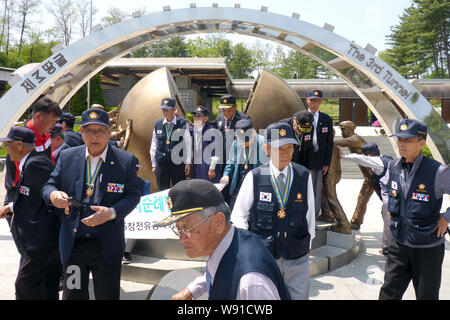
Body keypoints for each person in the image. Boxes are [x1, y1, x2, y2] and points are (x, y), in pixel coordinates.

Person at [42, 107, 141, 300]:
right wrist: (54, 196)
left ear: (109, 131)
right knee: (73, 295)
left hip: (106, 245)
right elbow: (49, 185)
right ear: (81, 132)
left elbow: (132, 195)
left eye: (100, 130)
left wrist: (112, 212)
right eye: (88, 130)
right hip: (73, 245)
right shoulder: (68, 156)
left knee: (107, 295)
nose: (94, 136)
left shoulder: (125, 161)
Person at [153, 179, 291, 300]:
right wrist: (192, 290)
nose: (181, 238)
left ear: (218, 222)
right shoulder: (227, 241)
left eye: (186, 228)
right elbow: (215, 271)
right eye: (178, 229)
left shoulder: (250, 283)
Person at [231, 122, 316, 300]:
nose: (286, 153)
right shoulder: (254, 177)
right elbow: (239, 215)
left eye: (290, 147)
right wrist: (248, 247)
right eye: (280, 148)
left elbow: (309, 214)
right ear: (267, 149)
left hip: (296, 255)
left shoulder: (303, 175)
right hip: (265, 256)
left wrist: (309, 243)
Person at [378, 119, 450, 300]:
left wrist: (446, 217)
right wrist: (389, 205)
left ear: (422, 143)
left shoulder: (437, 171)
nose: (402, 144)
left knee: (427, 295)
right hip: (399, 243)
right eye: (400, 139)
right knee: (388, 293)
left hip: (427, 247)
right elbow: (385, 187)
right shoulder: (393, 166)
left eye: (408, 140)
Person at [0, 127, 61, 300]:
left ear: (19, 145)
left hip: (41, 241)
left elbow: (53, 195)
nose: (5, 149)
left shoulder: (35, 164)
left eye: (8, 144)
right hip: (40, 241)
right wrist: (11, 207)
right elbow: (36, 194)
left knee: (25, 285)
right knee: (45, 285)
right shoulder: (30, 163)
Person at [2, 97, 61, 225]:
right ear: (38, 116)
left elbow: (51, 164)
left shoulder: (45, 136)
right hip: (21, 194)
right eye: (52, 120)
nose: (54, 124)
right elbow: (22, 173)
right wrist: (13, 206)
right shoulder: (22, 139)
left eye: (56, 121)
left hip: (40, 192)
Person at [340, 142, 393, 255]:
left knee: (389, 222)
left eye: (366, 155)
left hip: (391, 200)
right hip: (395, 198)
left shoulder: (377, 161)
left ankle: (388, 249)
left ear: (368, 154)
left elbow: (359, 158)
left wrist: (343, 156)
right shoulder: (386, 159)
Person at [333, 121, 374, 229]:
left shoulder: (355, 139)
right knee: (362, 197)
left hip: (375, 175)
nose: (341, 132)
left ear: (350, 129)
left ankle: (356, 222)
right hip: (369, 177)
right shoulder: (354, 139)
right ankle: (356, 222)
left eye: (343, 129)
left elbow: (337, 142)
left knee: (384, 199)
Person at [220, 119, 268, 209]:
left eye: (247, 140)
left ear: (253, 132)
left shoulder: (264, 144)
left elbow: (268, 169)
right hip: (239, 185)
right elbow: (230, 162)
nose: (244, 143)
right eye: (241, 140)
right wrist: (226, 175)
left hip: (256, 187)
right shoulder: (236, 144)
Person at [150, 97, 192, 191]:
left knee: (179, 190)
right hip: (162, 162)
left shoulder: (183, 124)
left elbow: (188, 144)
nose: (165, 112)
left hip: (178, 162)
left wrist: (188, 162)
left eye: (167, 110)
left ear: (174, 110)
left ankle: (178, 206)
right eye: (163, 110)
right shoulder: (158, 124)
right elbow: (154, 145)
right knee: (162, 190)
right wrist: (154, 164)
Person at [215, 95, 250, 203]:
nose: (226, 113)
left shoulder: (244, 119)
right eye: (223, 110)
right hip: (223, 159)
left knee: (235, 185)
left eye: (229, 110)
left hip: (237, 159)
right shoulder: (219, 118)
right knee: (223, 185)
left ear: (235, 107)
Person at [305, 90, 333, 218]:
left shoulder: (326, 119)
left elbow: (329, 142)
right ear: (307, 100)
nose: (314, 104)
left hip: (319, 162)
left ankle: (313, 217)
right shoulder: (300, 117)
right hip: (304, 162)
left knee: (316, 190)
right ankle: (302, 215)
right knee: (303, 189)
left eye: (317, 101)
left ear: (321, 102)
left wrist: (327, 162)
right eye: (312, 100)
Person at [123, 163, 151, 264]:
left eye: (135, 170)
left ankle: (126, 251)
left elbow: (147, 199)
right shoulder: (121, 182)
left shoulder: (144, 183)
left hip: (137, 211)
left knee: (131, 219)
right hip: (122, 209)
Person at [189, 105, 222, 183]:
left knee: (208, 191)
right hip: (198, 167)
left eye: (199, 116)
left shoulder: (212, 131)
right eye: (195, 116)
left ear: (206, 118)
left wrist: (212, 168)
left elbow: (216, 152)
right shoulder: (196, 129)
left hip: (208, 168)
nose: (196, 118)